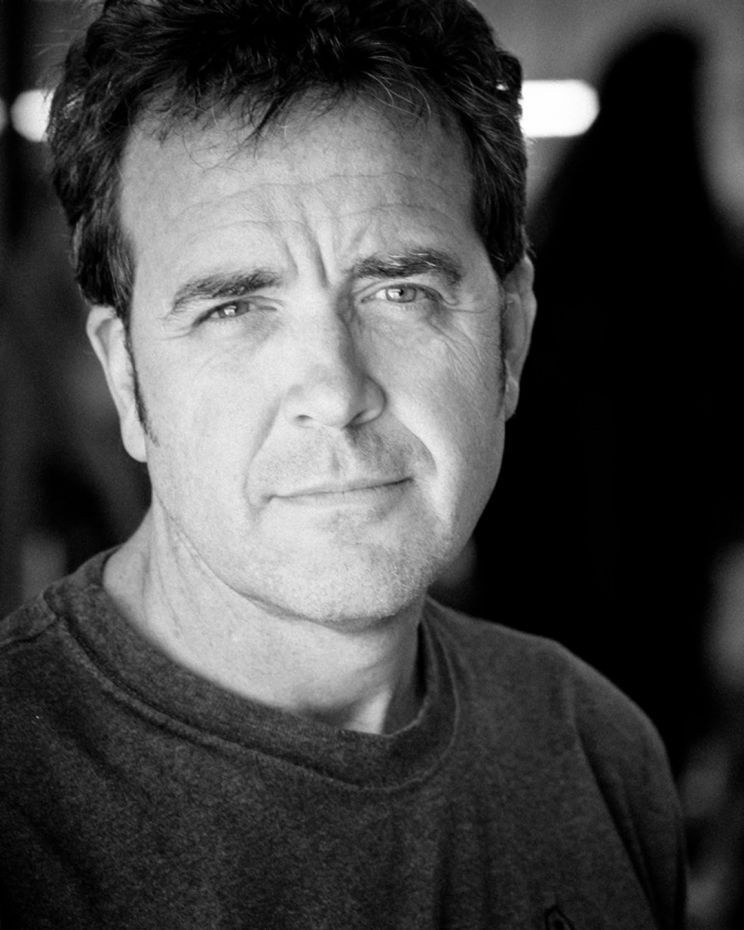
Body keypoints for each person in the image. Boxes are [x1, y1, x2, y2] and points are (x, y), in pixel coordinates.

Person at [0, 1, 686, 927]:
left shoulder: (595, 749)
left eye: (401, 290)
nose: (336, 390)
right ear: (127, 377)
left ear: (511, 338)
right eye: (234, 309)